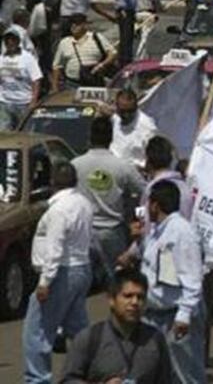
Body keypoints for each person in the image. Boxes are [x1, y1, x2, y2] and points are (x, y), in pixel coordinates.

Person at [23, 161, 95, 384]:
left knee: (37, 332)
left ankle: (38, 379)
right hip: (81, 269)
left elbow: (55, 248)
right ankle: (96, 369)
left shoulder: (59, 210)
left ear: (53, 183)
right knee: (78, 329)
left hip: (61, 273)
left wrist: (45, 282)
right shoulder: (83, 203)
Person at [140, 182, 206, 383]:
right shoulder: (159, 231)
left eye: (148, 203)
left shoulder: (181, 233)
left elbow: (193, 278)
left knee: (184, 374)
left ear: (155, 205)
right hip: (155, 315)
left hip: (174, 316)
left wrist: (184, 315)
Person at [61, 268, 173, 383]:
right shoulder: (90, 338)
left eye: (140, 297)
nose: (135, 302)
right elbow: (68, 380)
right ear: (111, 300)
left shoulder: (155, 339)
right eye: (128, 296)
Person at [73, 116, 146, 286]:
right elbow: (146, 190)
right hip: (113, 232)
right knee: (117, 284)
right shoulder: (122, 167)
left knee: (82, 285)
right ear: (111, 138)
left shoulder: (76, 165)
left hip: (85, 232)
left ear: (90, 137)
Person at [52, 14, 117, 90]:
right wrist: (55, 87)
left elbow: (113, 53)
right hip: (72, 84)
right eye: (71, 23)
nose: (73, 26)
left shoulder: (96, 37)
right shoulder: (64, 42)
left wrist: (102, 65)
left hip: (94, 83)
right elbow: (57, 66)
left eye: (77, 24)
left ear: (84, 25)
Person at [0, 29, 42, 130]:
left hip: (24, 102)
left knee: (24, 131)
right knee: (4, 133)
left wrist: (33, 101)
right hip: (5, 102)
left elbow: (36, 80)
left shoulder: (28, 58)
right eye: (7, 40)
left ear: (18, 41)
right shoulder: (1, 58)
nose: (10, 42)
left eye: (13, 39)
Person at [110, 89, 160, 170]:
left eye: (130, 111)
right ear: (117, 107)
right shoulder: (114, 119)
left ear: (136, 106)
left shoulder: (147, 126)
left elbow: (154, 157)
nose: (126, 115)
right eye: (123, 111)